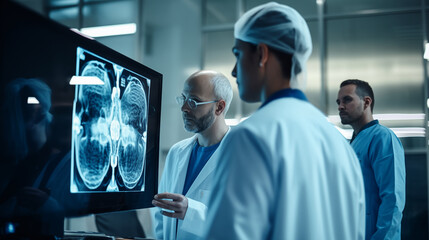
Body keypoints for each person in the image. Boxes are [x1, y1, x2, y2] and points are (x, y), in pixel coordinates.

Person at [204, 2, 366, 239]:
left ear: (261, 54)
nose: (234, 72)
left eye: (238, 55)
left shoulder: (250, 137)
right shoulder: (340, 145)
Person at [151, 70, 233, 240]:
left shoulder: (239, 157)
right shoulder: (177, 152)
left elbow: (238, 224)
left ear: (219, 107)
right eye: (184, 99)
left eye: (194, 102)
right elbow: (160, 214)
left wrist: (191, 212)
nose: (184, 108)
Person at [337, 79, 406, 239]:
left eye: (347, 100)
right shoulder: (352, 144)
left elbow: (392, 198)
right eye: (338, 102)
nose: (340, 106)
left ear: (366, 102)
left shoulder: (382, 137)